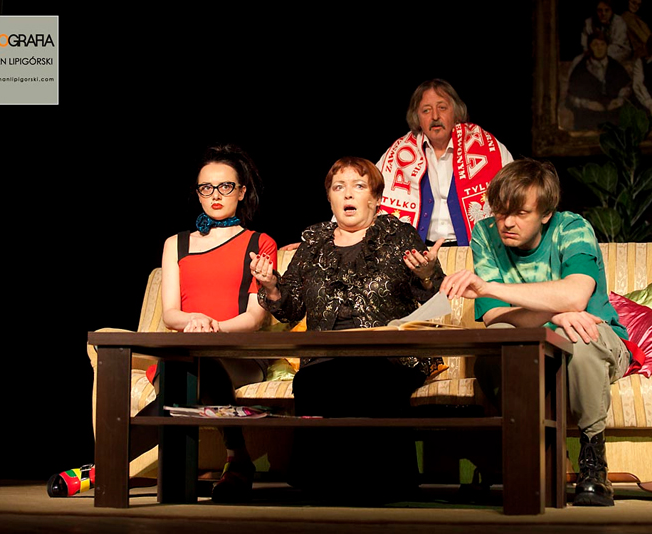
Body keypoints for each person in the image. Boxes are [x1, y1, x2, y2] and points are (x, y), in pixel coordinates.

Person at [440, 158, 632, 507]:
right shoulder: (485, 233)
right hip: (531, 345)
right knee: (497, 344)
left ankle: (594, 462)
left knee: (580, 340)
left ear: (545, 214)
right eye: (500, 212)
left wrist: (490, 288)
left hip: (596, 337)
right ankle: (520, 455)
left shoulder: (572, 228)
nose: (507, 223)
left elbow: (576, 296)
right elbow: (495, 316)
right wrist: (556, 312)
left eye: (520, 213)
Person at [251, 156, 445, 499]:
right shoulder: (314, 244)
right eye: (339, 187)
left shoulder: (398, 235)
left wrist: (428, 275)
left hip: (388, 355)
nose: (348, 194)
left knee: (366, 375)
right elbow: (291, 309)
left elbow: (432, 294)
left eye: (359, 186)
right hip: (325, 355)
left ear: (376, 198)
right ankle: (321, 486)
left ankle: (381, 484)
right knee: (311, 380)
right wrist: (271, 286)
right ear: (330, 199)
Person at [149, 144, 278, 503]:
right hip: (186, 353)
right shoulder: (176, 244)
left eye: (225, 186)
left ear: (242, 192)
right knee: (183, 367)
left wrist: (215, 328)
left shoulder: (259, 242)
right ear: (198, 193)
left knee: (200, 364)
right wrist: (196, 320)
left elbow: (254, 317)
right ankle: (236, 462)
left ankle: (235, 458)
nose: (216, 195)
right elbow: (170, 313)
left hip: (239, 355)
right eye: (207, 188)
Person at [376, 79, 513, 248]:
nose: (435, 116)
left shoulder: (487, 146)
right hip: (417, 252)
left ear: (455, 112)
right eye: (426, 110)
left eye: (442, 108)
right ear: (417, 118)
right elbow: (368, 190)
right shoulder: (399, 152)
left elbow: (516, 190)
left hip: (474, 249)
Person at [567, 30, 632, 130]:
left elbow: (628, 89)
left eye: (602, 44)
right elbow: (570, 98)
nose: (599, 48)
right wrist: (587, 104)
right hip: (588, 117)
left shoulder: (616, 67)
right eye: (595, 45)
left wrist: (619, 101)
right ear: (589, 47)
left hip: (614, 116)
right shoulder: (580, 69)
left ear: (607, 46)